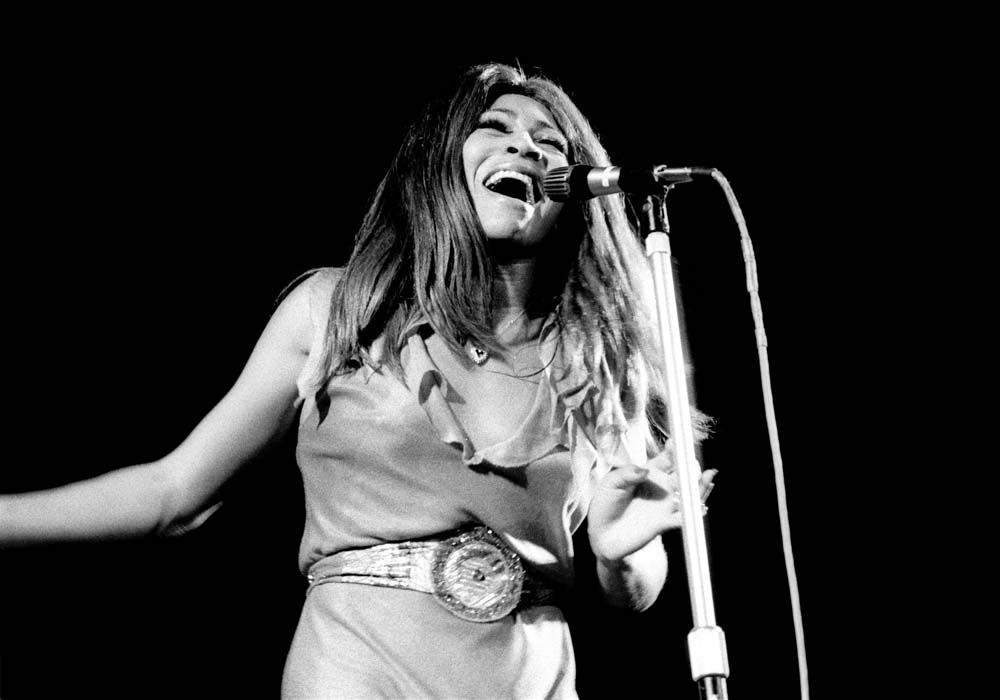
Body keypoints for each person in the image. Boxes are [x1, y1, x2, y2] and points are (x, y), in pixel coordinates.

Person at [0, 62, 714, 699]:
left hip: (531, 676)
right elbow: (173, 493)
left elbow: (637, 587)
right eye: (493, 127)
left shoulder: (598, 356)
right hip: (357, 664)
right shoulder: (336, 310)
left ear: (573, 193)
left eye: (549, 142)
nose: (525, 146)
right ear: (441, 164)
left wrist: (621, 554)